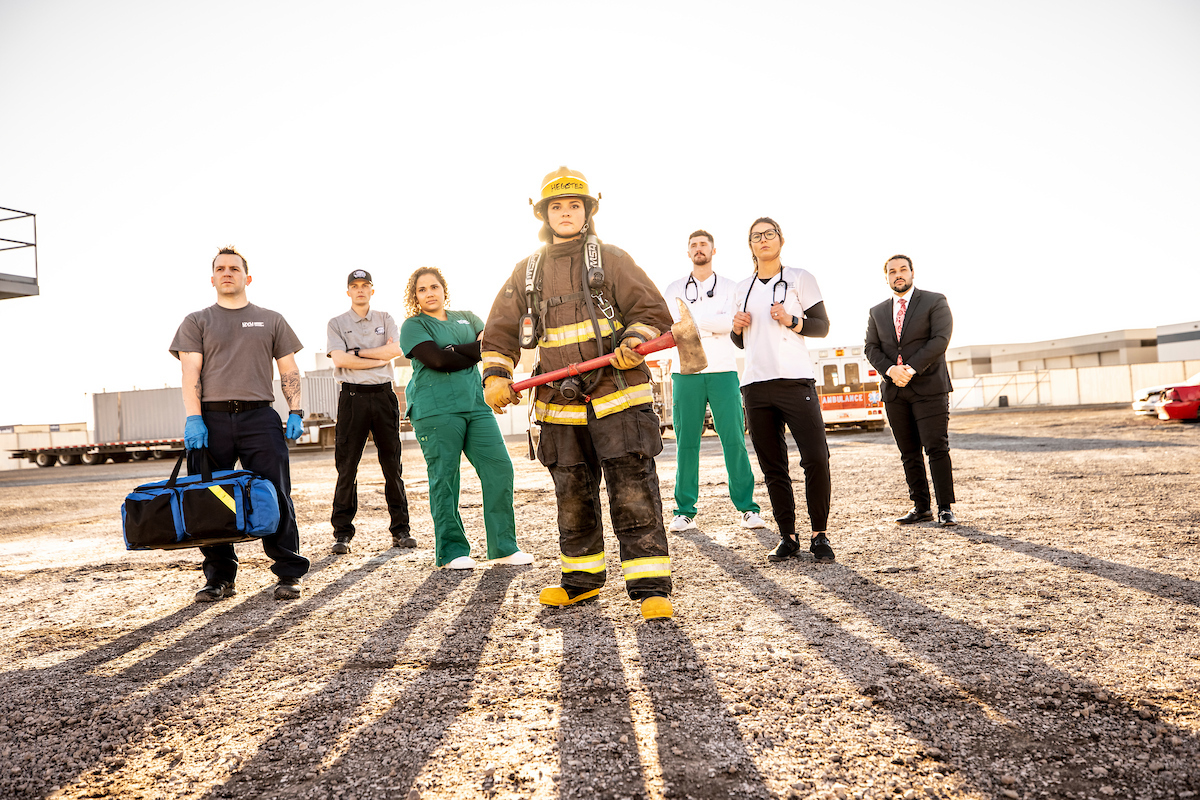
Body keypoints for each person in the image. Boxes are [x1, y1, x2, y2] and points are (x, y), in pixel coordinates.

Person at [481, 166, 675, 620]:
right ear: (544, 215)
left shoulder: (612, 259)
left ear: (588, 212)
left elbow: (651, 311)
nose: (565, 213)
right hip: (558, 404)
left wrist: (635, 340)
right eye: (557, 207)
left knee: (633, 491)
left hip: (619, 397)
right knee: (572, 496)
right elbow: (500, 331)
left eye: (574, 205)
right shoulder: (526, 271)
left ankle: (650, 587)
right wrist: (494, 375)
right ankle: (581, 582)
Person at [170, 245, 310, 601]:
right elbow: (191, 374)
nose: (227, 272)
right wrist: (194, 419)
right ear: (212, 278)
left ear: (247, 277)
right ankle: (219, 578)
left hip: (259, 417)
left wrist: (295, 411)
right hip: (211, 420)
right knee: (210, 497)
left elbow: (289, 370)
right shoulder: (196, 321)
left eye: (234, 268)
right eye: (220, 268)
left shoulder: (271, 319)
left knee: (276, 494)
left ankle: (288, 572)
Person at [398, 266, 533, 570]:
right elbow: (438, 359)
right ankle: (451, 552)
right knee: (446, 479)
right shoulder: (413, 325)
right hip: (436, 409)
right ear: (415, 297)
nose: (429, 293)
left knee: (499, 468)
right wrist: (468, 351)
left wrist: (456, 349)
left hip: (476, 404)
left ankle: (503, 547)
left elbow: (490, 347)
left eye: (434, 287)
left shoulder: (468, 317)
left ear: (444, 289)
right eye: (421, 290)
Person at [730, 217, 835, 563]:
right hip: (756, 386)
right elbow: (740, 342)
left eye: (769, 234)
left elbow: (821, 327)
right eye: (756, 236)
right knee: (773, 466)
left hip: (795, 381)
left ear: (781, 240)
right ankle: (787, 536)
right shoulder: (741, 288)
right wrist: (736, 328)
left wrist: (792, 320)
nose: (763, 240)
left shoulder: (800, 278)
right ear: (751, 245)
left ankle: (819, 534)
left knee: (816, 457)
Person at [662, 229, 764, 533]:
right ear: (688, 252)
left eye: (703, 244)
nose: (698, 249)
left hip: (723, 372)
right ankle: (684, 511)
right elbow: (674, 327)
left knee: (733, 440)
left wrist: (695, 321)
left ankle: (748, 508)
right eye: (693, 245)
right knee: (686, 443)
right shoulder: (674, 288)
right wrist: (714, 323)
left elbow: (733, 324)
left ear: (713, 250)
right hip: (686, 374)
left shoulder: (732, 287)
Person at [864, 255, 957, 526]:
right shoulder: (877, 311)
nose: (898, 275)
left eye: (903, 269)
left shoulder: (934, 300)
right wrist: (891, 370)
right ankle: (920, 506)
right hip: (895, 391)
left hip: (929, 386)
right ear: (887, 277)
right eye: (892, 272)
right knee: (909, 452)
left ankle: (945, 508)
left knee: (936, 448)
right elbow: (871, 347)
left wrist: (911, 368)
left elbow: (940, 338)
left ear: (912, 272)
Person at [326, 269, 413, 554]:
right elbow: (338, 358)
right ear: (348, 291)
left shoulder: (385, 319)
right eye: (355, 286)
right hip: (352, 398)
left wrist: (358, 354)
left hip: (384, 395)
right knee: (347, 467)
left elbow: (395, 352)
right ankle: (342, 533)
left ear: (372, 290)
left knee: (393, 467)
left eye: (365, 285)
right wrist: (376, 355)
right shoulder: (336, 323)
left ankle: (401, 531)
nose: (360, 290)